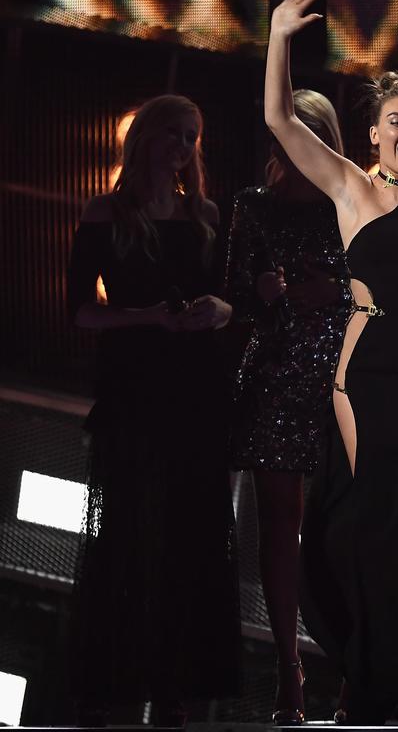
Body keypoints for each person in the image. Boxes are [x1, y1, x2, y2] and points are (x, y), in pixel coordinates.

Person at [264, 0, 398, 724]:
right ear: (375, 134)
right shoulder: (350, 187)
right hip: (366, 374)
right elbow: (279, 118)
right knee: (365, 524)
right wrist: (281, 36)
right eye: (397, 122)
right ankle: (364, 676)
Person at [66, 94, 240, 726]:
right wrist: (145, 319)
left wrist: (216, 311)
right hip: (135, 395)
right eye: (172, 132)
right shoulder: (106, 213)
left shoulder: (207, 215)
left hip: (195, 396)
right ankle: (117, 688)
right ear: (143, 137)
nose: (182, 145)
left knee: (191, 544)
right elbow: (81, 309)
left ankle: (174, 693)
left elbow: (225, 300)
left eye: (191, 136)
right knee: (131, 540)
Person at [224, 88, 349, 724]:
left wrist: (337, 292)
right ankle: (287, 669)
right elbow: (234, 300)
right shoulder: (254, 208)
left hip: (338, 384)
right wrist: (262, 291)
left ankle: (355, 666)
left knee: (342, 531)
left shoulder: (350, 205)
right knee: (278, 531)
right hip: (273, 378)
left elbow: (381, 295)